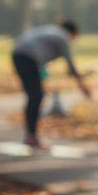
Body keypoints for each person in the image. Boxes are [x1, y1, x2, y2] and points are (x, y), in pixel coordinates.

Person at [11, 19, 91, 149]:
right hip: (27, 58)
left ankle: (30, 135)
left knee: (34, 96)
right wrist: (83, 87)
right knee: (36, 96)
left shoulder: (52, 31)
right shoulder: (63, 37)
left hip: (18, 54)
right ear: (73, 32)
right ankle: (31, 136)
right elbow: (71, 66)